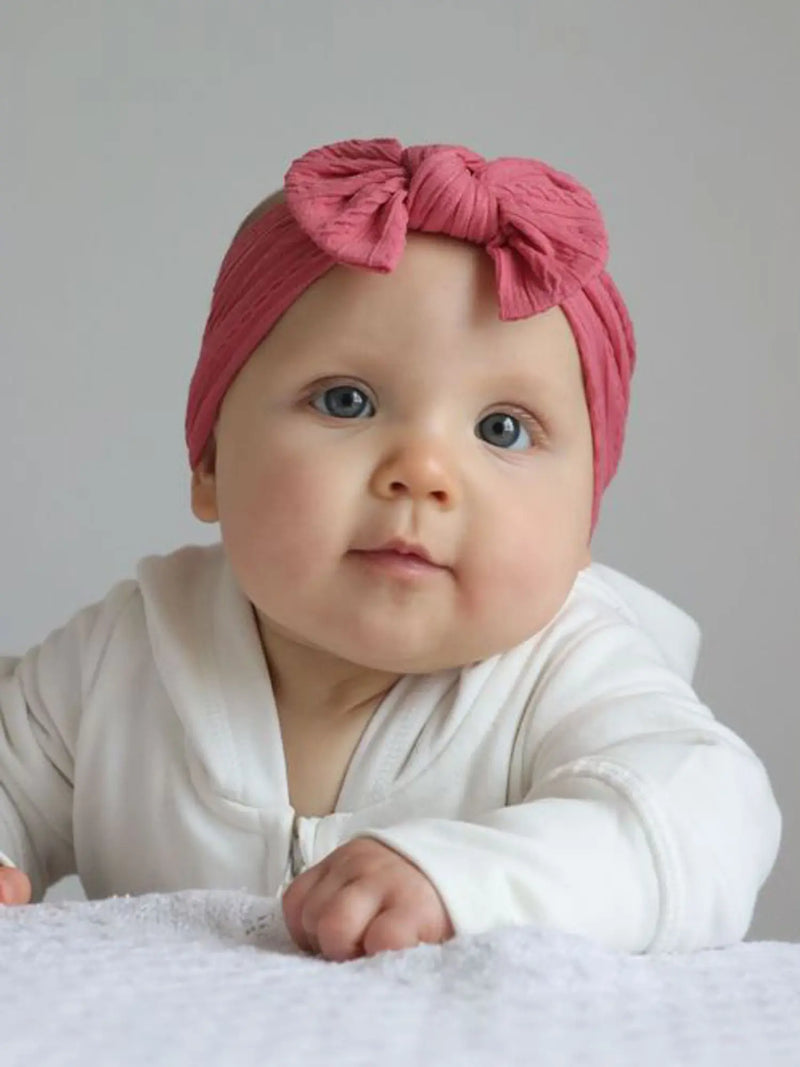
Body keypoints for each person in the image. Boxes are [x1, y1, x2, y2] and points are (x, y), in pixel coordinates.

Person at [0, 137, 781, 962]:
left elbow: (700, 818)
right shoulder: (122, 658)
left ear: (584, 520)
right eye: (347, 400)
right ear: (212, 462)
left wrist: (466, 878)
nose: (423, 471)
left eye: (502, 428)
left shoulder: (569, 672)